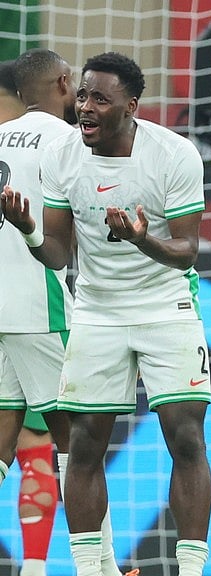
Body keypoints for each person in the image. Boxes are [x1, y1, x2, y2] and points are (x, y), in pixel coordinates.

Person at [0, 51, 211, 576]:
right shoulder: (61, 153)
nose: (86, 107)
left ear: (131, 106)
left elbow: (188, 250)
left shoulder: (175, 154)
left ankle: (190, 570)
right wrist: (26, 229)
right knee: (82, 443)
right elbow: (55, 252)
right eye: (83, 95)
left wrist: (144, 241)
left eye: (101, 99)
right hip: (93, 310)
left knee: (185, 435)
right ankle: (88, 570)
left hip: (167, 304)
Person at [0, 50, 123, 576]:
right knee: (79, 443)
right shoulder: (67, 141)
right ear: (65, 83)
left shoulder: (1, 134)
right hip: (38, 304)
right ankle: (101, 568)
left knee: (5, 436)